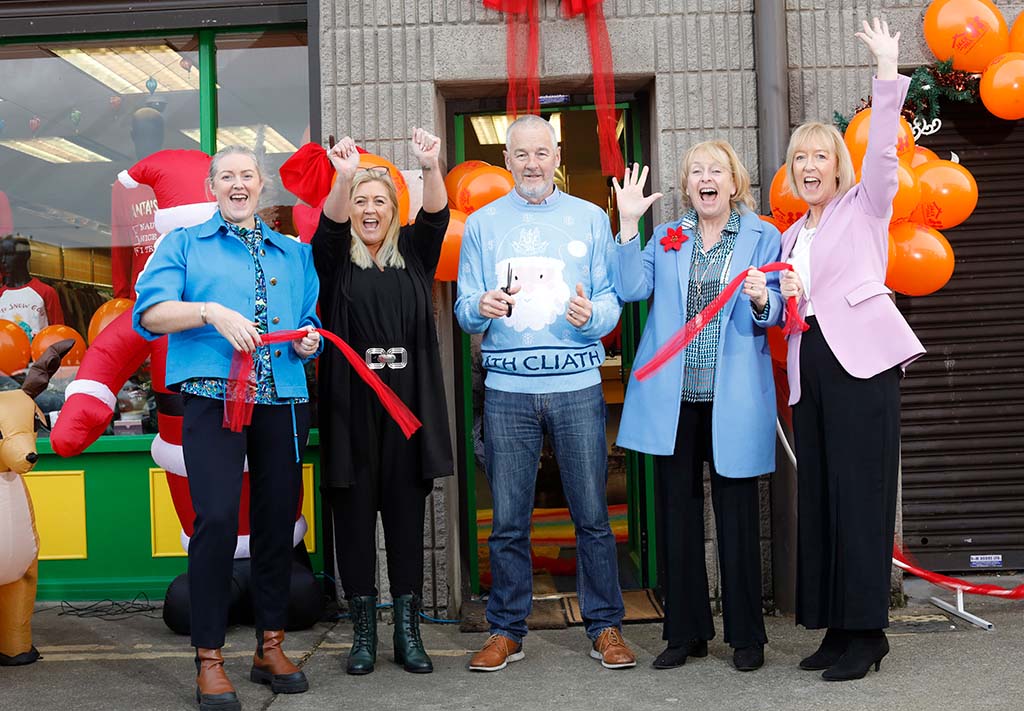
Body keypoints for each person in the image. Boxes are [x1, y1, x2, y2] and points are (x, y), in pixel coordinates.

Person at [133, 145, 321, 711]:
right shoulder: (184, 244)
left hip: (282, 398)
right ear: (212, 186)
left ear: (262, 185)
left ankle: (269, 647)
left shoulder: (295, 253)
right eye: (227, 176)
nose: (238, 184)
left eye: (247, 175)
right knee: (214, 518)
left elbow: (310, 318)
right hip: (213, 399)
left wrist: (309, 339)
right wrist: (210, 311)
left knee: (273, 519)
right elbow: (150, 314)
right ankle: (209, 658)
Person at [455, 114, 635, 672]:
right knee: (509, 518)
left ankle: (605, 626)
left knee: (592, 515)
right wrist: (478, 307)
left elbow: (611, 299)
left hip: (577, 386)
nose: (532, 164)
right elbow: (463, 309)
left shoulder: (589, 219)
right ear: (507, 162)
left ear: (555, 156)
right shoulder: (482, 226)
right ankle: (506, 629)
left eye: (541, 153)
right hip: (507, 391)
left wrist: (594, 316)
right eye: (521, 155)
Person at [778, 18, 924, 682]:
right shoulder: (789, 237)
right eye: (800, 159)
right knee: (826, 499)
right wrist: (764, 299)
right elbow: (790, 306)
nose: (810, 167)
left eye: (820, 157)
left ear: (838, 165)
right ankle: (840, 626)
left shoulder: (866, 206)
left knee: (862, 495)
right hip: (810, 368)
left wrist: (888, 75)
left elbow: (885, 156)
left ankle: (869, 633)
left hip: (860, 363)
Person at [612, 144, 783, 672]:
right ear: (686, 186)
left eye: (716, 171)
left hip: (734, 399)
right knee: (676, 518)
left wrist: (760, 300)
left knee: (737, 520)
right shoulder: (669, 236)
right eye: (695, 173)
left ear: (734, 183)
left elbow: (776, 311)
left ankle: (747, 637)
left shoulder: (764, 236)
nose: (705, 180)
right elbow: (630, 287)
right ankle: (685, 633)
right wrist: (627, 227)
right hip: (674, 401)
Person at [312, 128, 453, 675]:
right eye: (360, 201)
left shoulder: (415, 255)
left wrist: (431, 165)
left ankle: (408, 634)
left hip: (407, 408)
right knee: (351, 522)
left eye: (380, 201)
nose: (369, 210)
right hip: (352, 409)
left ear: (396, 210)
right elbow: (327, 227)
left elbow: (437, 216)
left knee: (403, 520)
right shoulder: (333, 261)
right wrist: (344, 175)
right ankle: (364, 635)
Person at [0, 234, 65, 341]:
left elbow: (59, 333)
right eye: (1, 256)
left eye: (9, 254)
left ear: (26, 255)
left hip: (40, 355)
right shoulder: (1, 295)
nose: (3, 260)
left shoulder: (45, 292)